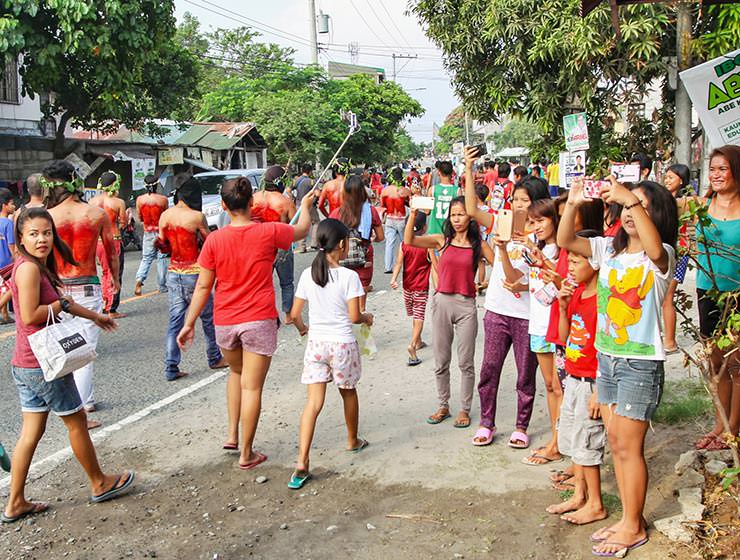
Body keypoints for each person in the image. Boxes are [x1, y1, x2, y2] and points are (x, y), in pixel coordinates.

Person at [558, 176, 677, 557]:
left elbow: (656, 248)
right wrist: (574, 203)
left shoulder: (662, 255)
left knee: (629, 448)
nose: (629, 212)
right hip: (606, 360)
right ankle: (630, 519)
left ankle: (632, 524)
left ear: (654, 211)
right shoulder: (608, 251)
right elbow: (564, 241)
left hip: (639, 364)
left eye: (638, 205)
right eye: (625, 206)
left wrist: (631, 200)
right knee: (616, 445)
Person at [3, 207, 133, 524]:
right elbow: (32, 315)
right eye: (33, 234)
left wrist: (96, 316)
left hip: (26, 362)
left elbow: (63, 302)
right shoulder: (29, 270)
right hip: (43, 363)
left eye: (47, 232)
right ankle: (99, 482)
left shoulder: (34, 266)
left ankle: (15, 501)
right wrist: (60, 304)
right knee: (76, 421)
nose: (42, 239)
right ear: (21, 237)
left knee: (31, 432)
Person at [176, 177, 314, 469]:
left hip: (225, 322)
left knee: (236, 374)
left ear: (224, 206)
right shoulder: (269, 232)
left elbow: (203, 288)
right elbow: (302, 230)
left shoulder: (214, 240)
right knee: (252, 387)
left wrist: (188, 323)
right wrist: (305, 205)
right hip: (258, 319)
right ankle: (246, 452)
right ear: (252, 202)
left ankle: (232, 435)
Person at [462, 146, 551, 448]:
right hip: (497, 310)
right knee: (489, 369)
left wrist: (504, 249)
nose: (518, 206)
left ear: (539, 204)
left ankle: (521, 426)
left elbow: (520, 280)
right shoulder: (501, 220)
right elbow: (473, 210)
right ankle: (487, 422)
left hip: (528, 315)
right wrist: (468, 167)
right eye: (516, 199)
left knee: (525, 375)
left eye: (525, 201)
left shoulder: (542, 234)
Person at [287, 218, 373, 490]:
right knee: (348, 391)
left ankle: (302, 461)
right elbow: (354, 316)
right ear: (342, 245)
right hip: (343, 344)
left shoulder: (307, 275)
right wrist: (367, 317)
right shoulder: (350, 277)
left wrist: (304, 330)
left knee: (313, 404)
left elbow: (294, 314)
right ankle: (352, 440)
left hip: (317, 344)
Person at [405, 197, 493, 428]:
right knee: (441, 360)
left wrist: (486, 284)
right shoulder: (441, 241)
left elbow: (501, 266)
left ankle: (464, 409)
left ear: (470, 216)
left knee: (466, 362)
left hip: (466, 306)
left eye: (461, 214)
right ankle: (443, 405)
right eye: (453, 214)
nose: (456, 219)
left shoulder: (478, 245)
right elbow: (409, 240)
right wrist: (413, 213)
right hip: (442, 302)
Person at [44, 160, 118, 425]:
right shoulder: (95, 214)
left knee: (61, 345)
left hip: (56, 288)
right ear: (75, 180)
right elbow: (110, 251)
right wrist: (115, 281)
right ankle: (83, 406)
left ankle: (65, 404)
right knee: (84, 349)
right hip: (87, 285)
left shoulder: (47, 217)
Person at [545, 234, 607, 526]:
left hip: (591, 381)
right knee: (575, 441)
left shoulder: (603, 299)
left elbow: (607, 346)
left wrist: (600, 390)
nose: (569, 266)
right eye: (568, 259)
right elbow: (564, 335)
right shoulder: (578, 293)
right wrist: (563, 307)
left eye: (576, 260)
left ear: (595, 263)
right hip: (573, 375)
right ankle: (579, 495)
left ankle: (595, 503)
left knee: (588, 443)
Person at [691, 146, 740, 451]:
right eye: (713, 169)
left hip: (737, 293)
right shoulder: (701, 205)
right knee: (716, 362)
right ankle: (720, 424)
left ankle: (733, 428)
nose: (716, 175)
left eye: (723, 169)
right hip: (706, 290)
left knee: (736, 363)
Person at [157, 178, 225, 381]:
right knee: (208, 318)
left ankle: (171, 367)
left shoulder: (165, 216)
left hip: (173, 272)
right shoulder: (196, 216)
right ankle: (214, 357)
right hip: (194, 272)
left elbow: (163, 245)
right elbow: (210, 241)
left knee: (175, 322)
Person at [520, 199, 562, 466]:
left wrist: (541, 258)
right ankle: (556, 438)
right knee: (549, 385)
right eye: (532, 222)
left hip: (559, 326)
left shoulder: (563, 249)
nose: (536, 227)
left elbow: (564, 280)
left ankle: (560, 442)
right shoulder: (538, 247)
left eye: (541, 221)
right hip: (538, 324)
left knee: (560, 386)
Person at [330, 175, 384, 311]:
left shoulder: (337, 213)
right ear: (363, 191)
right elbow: (381, 237)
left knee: (343, 293)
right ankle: (360, 319)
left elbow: (328, 238)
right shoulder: (370, 211)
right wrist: (371, 240)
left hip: (341, 257)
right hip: (363, 256)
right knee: (362, 293)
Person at [251, 165, 297, 324]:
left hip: (260, 246)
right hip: (281, 246)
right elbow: (293, 224)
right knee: (287, 283)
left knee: (261, 283)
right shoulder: (285, 202)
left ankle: (261, 313)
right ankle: (289, 315)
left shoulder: (254, 199)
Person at [390, 211, 432, 365]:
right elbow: (435, 265)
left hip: (407, 287)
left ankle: (419, 340)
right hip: (421, 287)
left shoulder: (404, 245)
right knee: (419, 316)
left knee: (414, 314)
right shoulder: (427, 245)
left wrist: (394, 279)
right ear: (425, 227)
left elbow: (399, 263)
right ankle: (413, 344)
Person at [661, 163, 692, 354]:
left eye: (671, 177)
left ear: (681, 180)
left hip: (679, 252)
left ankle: (670, 341)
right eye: (666, 176)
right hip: (666, 250)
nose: (667, 180)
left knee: (668, 296)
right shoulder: (663, 200)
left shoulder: (685, 202)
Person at [89, 172, 126, 318]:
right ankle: (112, 308)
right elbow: (123, 222)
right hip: (113, 239)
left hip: (97, 241)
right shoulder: (118, 202)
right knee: (114, 273)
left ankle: (105, 303)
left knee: (104, 273)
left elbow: (90, 224)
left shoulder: (92, 202)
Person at [134, 175, 169, 296]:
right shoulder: (163, 199)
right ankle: (162, 285)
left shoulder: (140, 200)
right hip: (160, 231)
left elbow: (140, 217)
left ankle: (139, 280)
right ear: (156, 185)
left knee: (146, 258)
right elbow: (165, 216)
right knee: (162, 258)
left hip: (148, 231)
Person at [381, 167, 409, 274]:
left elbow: (383, 206)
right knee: (405, 243)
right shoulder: (405, 191)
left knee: (389, 243)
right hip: (401, 219)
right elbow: (410, 204)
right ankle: (407, 265)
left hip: (389, 218)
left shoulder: (385, 191)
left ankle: (388, 267)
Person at [0, 187, 16, 323]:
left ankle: (5, 315)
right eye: (11, 203)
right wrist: (16, 259)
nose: (14, 206)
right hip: (6, 262)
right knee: (8, 287)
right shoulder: (8, 223)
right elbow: (12, 245)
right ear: (4, 206)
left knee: (2, 287)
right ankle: (4, 313)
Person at [294, 164, 318, 253]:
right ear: (310, 171)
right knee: (316, 222)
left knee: (301, 224)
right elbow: (317, 193)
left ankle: (302, 247)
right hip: (310, 205)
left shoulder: (297, 180)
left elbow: (289, 190)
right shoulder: (311, 181)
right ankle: (314, 243)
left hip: (298, 205)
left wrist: (293, 197)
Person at [427, 161, 457, 235]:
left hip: (434, 230)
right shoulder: (457, 191)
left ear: (439, 173)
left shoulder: (432, 190)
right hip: (450, 231)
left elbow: (427, 211)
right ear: (452, 173)